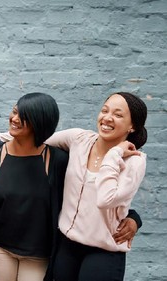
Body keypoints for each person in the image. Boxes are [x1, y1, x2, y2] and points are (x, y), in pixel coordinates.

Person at [46, 92, 147, 281]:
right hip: (66, 246)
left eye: (118, 115)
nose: (107, 118)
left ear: (132, 126)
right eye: (104, 110)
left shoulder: (135, 162)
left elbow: (105, 199)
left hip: (103, 251)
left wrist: (115, 153)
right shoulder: (79, 139)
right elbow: (35, 140)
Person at [0, 93, 69, 281]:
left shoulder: (57, 160)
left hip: (38, 255)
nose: (14, 119)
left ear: (40, 122)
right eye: (14, 112)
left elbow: (84, 193)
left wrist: (131, 217)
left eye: (24, 116)